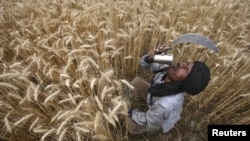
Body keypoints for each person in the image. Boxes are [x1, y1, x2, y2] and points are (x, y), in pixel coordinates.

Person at [127, 45, 211, 135]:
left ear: (187, 82)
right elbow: (143, 63)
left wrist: (131, 112)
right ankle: (150, 106)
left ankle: (155, 131)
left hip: (159, 121)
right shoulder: (169, 69)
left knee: (130, 125)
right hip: (154, 97)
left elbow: (148, 121)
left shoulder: (165, 105)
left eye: (186, 69)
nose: (182, 64)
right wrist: (153, 57)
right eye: (186, 63)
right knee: (136, 82)